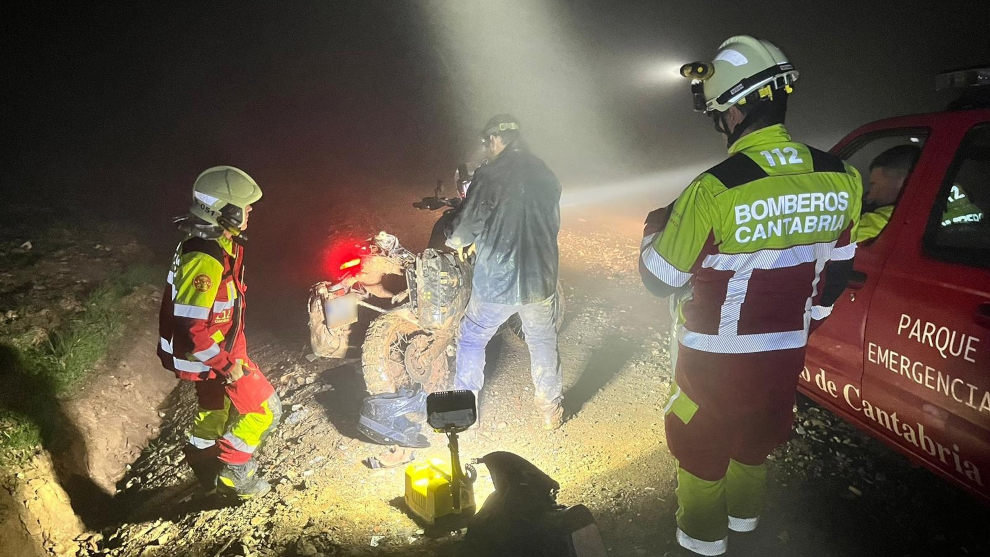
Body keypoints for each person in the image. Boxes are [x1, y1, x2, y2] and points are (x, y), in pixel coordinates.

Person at [640, 36, 862, 555]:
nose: (722, 124)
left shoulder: (713, 188)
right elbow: (837, 274)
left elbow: (660, 279)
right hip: (786, 353)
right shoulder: (842, 176)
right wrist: (804, 326)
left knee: (699, 450)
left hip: (715, 360)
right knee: (756, 442)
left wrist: (656, 226)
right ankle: (745, 533)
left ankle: (701, 544)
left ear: (738, 107)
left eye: (720, 113)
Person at [157, 165, 282, 500]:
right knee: (266, 410)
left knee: (213, 409)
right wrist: (228, 365)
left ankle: (205, 466)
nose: (251, 210)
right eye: (244, 205)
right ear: (223, 210)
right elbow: (192, 327)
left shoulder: (220, 242)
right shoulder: (205, 255)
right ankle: (235, 475)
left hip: (217, 351)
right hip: (212, 355)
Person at [446, 114, 564, 430]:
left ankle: (462, 412)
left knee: (471, 337)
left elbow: (467, 227)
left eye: (487, 142)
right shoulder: (544, 172)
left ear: (496, 139)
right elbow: (552, 224)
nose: (486, 148)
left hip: (498, 280)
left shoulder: (489, 175)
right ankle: (549, 405)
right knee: (541, 338)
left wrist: (455, 239)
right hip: (540, 277)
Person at [855, 145, 921, 243]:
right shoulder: (923, 212)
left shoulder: (886, 219)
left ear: (900, 181)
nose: (870, 196)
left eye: (874, 185)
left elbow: (831, 241)